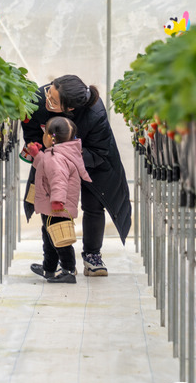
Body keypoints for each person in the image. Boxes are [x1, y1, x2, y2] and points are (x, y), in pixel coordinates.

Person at [22, 74, 132, 276]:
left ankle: (92, 256)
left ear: (69, 108)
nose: (47, 99)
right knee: (49, 209)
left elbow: (100, 152)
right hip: (53, 158)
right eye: (49, 92)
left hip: (93, 161)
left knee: (94, 204)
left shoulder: (95, 113)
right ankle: (53, 262)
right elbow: (30, 130)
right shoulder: (38, 100)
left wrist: (66, 155)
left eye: (54, 101)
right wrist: (36, 146)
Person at [24, 117, 90, 284]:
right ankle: (49, 268)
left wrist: (57, 200)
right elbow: (46, 165)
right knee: (49, 236)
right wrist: (36, 155)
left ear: (50, 137)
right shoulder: (59, 153)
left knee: (61, 239)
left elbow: (58, 179)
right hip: (53, 204)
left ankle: (68, 270)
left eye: (44, 132)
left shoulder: (56, 157)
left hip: (56, 205)